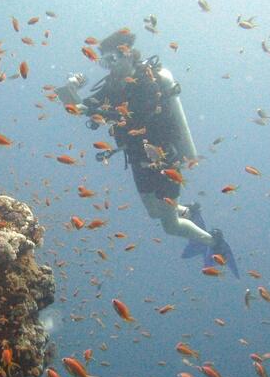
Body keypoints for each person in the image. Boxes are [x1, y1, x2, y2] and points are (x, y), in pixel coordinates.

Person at [56, 29, 237, 276]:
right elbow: (76, 109)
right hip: (138, 160)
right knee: (154, 212)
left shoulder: (147, 81)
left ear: (128, 55)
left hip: (164, 160)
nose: (108, 67)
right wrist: (68, 88)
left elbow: (138, 113)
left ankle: (215, 242)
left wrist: (103, 112)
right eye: (104, 62)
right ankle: (188, 211)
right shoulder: (111, 87)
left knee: (169, 226)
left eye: (112, 60)